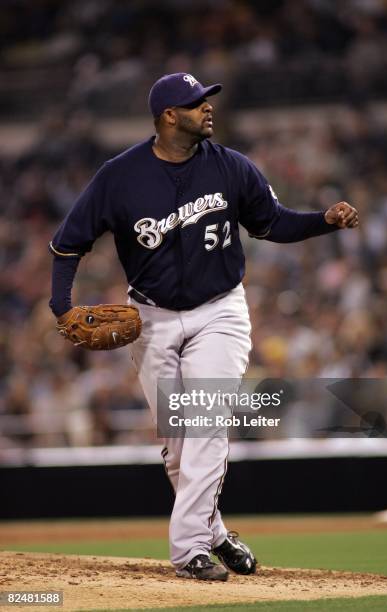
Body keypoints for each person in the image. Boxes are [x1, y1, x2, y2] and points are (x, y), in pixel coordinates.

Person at [49, 73, 359, 581]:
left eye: (207, 100)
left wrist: (323, 220)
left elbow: (271, 223)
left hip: (219, 311)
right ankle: (213, 533)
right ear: (169, 115)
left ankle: (189, 549)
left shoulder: (232, 167)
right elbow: (67, 244)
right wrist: (61, 306)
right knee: (178, 443)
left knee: (208, 419)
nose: (208, 108)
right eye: (196, 103)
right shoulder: (119, 176)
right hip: (149, 317)